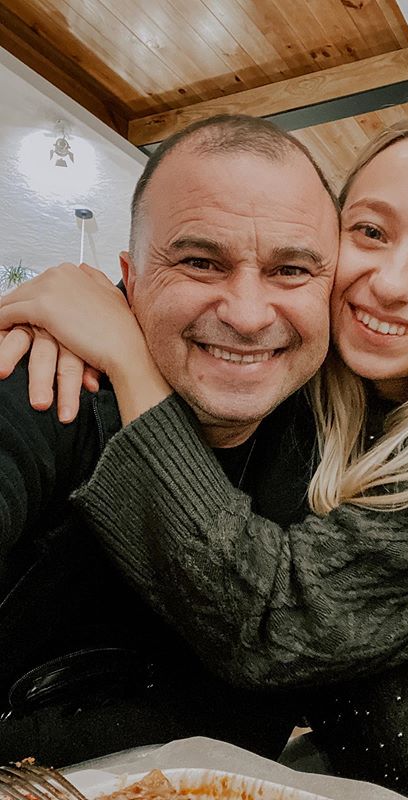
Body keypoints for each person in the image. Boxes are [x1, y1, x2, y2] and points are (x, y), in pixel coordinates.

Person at [2, 113, 408, 799]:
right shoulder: (321, 409)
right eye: (371, 232)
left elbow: (275, 625)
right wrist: (100, 314)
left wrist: (127, 354)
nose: (391, 283)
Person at [0, 114, 339, 765]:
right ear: (130, 280)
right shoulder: (46, 382)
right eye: (200, 262)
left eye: (291, 269)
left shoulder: (336, 443)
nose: (247, 314)